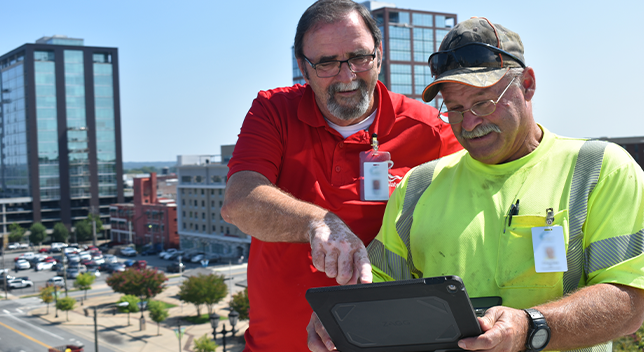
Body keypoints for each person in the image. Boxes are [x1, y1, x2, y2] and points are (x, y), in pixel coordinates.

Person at [307, 17, 644, 352]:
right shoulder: (418, 187)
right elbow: (379, 284)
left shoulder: (599, 170)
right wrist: (342, 317)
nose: (469, 122)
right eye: (454, 108)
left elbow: (629, 299)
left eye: (484, 103)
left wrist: (530, 326)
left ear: (527, 84)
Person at [221, 0, 461, 350]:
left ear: (379, 55)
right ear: (304, 68)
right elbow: (239, 201)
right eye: (327, 63)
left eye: (359, 57)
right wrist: (319, 223)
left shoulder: (431, 131)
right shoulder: (272, 112)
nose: (346, 76)